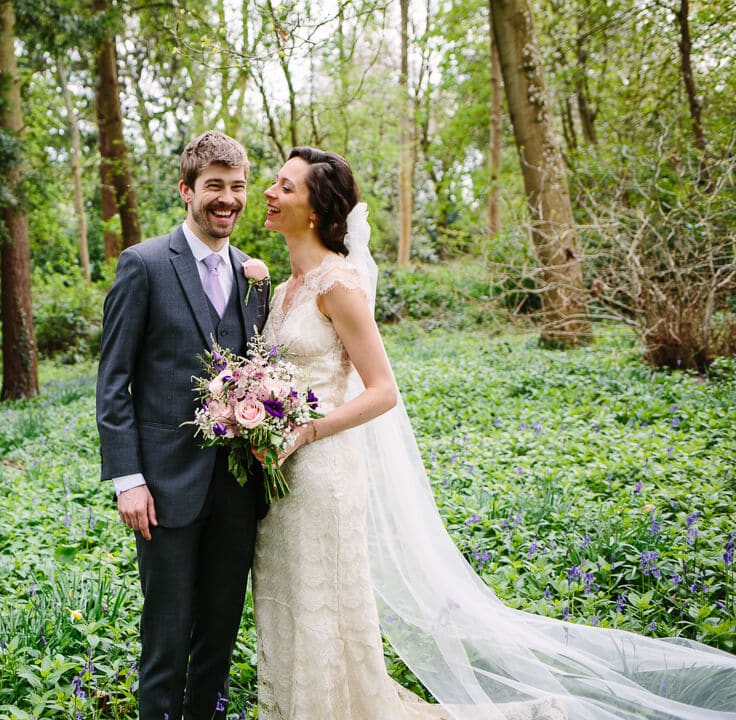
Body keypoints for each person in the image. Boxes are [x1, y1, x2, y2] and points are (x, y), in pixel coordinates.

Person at [252, 146, 736, 720]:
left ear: (314, 211)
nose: (269, 192)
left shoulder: (340, 285)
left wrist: (307, 432)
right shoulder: (282, 290)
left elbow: (383, 390)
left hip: (323, 472)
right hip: (279, 479)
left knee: (321, 607)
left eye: (284, 186)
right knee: (288, 604)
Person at [95, 130, 270, 720]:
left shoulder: (254, 275)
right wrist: (128, 479)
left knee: (218, 638)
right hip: (166, 488)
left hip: (238, 489)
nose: (228, 199)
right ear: (187, 191)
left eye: (238, 187)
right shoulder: (144, 265)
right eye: (215, 187)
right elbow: (113, 380)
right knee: (166, 638)